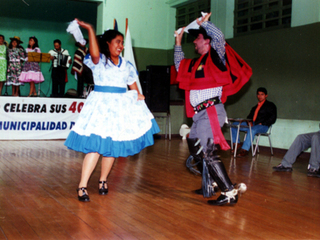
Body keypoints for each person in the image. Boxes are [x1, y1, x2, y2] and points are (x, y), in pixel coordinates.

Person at [64, 19, 160, 202]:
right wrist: (90, 29)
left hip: (118, 108)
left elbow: (132, 84)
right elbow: (93, 51)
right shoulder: (99, 60)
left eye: (122, 43)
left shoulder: (126, 64)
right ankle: (82, 185)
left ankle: (103, 180)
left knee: (112, 148)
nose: (121, 46)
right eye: (118, 42)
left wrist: (137, 96)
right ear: (107, 43)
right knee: (95, 146)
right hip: (100, 106)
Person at [174, 13, 251, 206]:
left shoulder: (216, 57)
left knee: (207, 152)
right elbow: (178, 65)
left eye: (197, 38)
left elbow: (219, 39)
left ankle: (229, 191)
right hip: (199, 115)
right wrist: (178, 40)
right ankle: (211, 184)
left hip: (211, 112)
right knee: (195, 148)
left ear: (206, 41)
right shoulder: (194, 64)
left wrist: (206, 24)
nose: (194, 42)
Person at [231, 87, 277, 157]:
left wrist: (263, 123)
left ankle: (244, 150)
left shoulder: (271, 105)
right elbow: (249, 117)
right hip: (253, 124)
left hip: (263, 126)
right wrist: (249, 122)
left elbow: (273, 118)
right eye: (258, 94)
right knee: (234, 125)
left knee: (252, 129)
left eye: (262, 94)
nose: (260, 96)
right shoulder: (255, 107)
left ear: (266, 95)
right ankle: (237, 144)